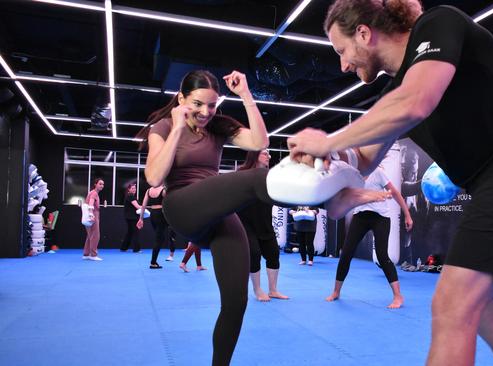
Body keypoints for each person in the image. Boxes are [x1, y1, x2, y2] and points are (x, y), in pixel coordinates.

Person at [288, 1, 493, 365]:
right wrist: (330, 170)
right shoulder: (392, 93)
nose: (343, 65)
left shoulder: (438, 24)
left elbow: (417, 101)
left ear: (364, 33)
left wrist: (329, 141)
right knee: (485, 314)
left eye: (342, 50)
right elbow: (363, 157)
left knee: (451, 306)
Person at [139, 69, 387, 366]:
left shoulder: (217, 126)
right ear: (181, 99)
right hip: (182, 206)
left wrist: (245, 94)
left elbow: (259, 142)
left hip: (216, 210)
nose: (205, 112)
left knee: (236, 303)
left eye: (212, 105)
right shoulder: (163, 126)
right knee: (256, 179)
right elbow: (154, 177)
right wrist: (178, 127)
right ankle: (332, 199)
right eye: (197, 104)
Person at [325, 165, 413, 309]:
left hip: (380, 218)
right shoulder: (352, 176)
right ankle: (336, 292)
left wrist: (407, 215)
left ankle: (398, 296)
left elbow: (395, 192)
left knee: (382, 255)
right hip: (360, 217)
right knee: (346, 253)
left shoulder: (377, 172)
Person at [237, 149, 289, 302]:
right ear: (255, 155)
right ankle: (257, 289)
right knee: (254, 253)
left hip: (265, 221)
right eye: (265, 153)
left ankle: (273, 290)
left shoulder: (270, 176)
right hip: (246, 222)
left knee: (273, 253)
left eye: (269, 154)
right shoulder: (242, 174)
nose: (269, 156)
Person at [137, 185, 176, 269]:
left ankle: (155, 261)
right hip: (161, 215)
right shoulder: (163, 190)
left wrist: (141, 219)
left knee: (160, 238)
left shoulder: (149, 190)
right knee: (159, 239)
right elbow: (169, 203)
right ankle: (153, 262)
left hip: (153, 215)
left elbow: (143, 205)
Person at [83, 178, 104, 261]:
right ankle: (93, 255)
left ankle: (86, 254)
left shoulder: (92, 192)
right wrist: (91, 214)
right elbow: (91, 203)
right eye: (100, 184)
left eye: (103, 184)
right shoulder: (94, 193)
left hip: (88, 215)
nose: (102, 186)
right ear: (95, 184)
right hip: (92, 215)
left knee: (90, 236)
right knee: (95, 235)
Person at [120, 183, 142, 253]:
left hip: (130, 217)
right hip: (132, 217)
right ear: (129, 189)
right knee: (136, 232)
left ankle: (123, 247)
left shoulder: (131, 196)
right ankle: (136, 249)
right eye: (132, 188)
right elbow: (137, 206)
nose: (134, 190)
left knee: (130, 232)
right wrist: (144, 207)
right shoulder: (130, 196)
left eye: (135, 188)